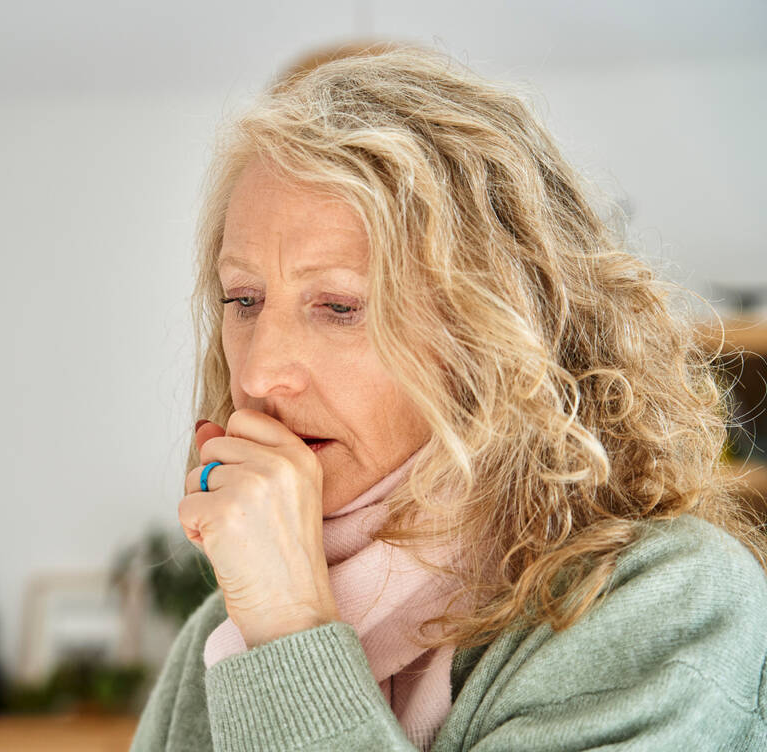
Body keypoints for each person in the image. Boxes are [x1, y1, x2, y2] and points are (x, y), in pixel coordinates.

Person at [129, 43, 767, 751]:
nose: (257, 375)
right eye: (244, 299)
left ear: (492, 332)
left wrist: (289, 631)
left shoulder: (672, 603)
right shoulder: (218, 639)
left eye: (338, 306)